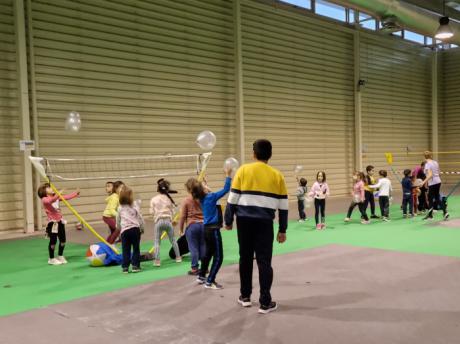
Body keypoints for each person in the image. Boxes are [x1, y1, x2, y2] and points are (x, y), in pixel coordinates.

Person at [224, 139, 288, 314]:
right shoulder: (277, 175)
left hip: (244, 222)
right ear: (270, 154)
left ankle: (245, 297)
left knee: (245, 258)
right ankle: (265, 302)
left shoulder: (243, 170)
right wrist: (283, 229)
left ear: (254, 154)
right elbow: (283, 205)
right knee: (264, 261)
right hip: (265, 223)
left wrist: (228, 220)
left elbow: (233, 198)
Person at [192, 168, 232, 290]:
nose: (206, 186)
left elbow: (206, 190)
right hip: (213, 230)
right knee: (219, 257)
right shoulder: (211, 197)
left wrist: (203, 182)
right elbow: (225, 189)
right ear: (203, 190)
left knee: (208, 253)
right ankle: (210, 281)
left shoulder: (202, 198)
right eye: (204, 186)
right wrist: (228, 175)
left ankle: (201, 275)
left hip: (206, 229)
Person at [37, 183, 80, 265]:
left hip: (60, 221)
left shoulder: (55, 197)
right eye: (48, 188)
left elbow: (66, 197)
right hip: (52, 223)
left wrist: (75, 193)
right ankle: (51, 258)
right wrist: (58, 193)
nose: (51, 188)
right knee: (53, 241)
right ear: (44, 191)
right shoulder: (44, 199)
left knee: (63, 240)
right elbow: (51, 200)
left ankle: (60, 255)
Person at [150, 179, 181, 267]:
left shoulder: (154, 199)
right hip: (168, 222)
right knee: (173, 240)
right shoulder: (169, 199)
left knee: (157, 241)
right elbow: (173, 211)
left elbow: (151, 212)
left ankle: (157, 260)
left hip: (158, 222)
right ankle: (178, 257)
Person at [179, 178, 205, 276]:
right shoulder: (203, 198)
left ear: (189, 189)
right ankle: (205, 267)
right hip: (203, 225)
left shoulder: (186, 200)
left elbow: (182, 216)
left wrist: (181, 229)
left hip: (192, 226)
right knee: (203, 246)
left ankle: (194, 268)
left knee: (193, 248)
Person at [116, 186, 144, 273]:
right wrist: (142, 228)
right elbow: (140, 217)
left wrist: (119, 228)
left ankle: (125, 267)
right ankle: (135, 266)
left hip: (124, 231)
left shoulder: (120, 208)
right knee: (136, 248)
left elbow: (118, 219)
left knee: (125, 249)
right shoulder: (134, 206)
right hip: (135, 229)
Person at [422, 151, 449, 220]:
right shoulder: (435, 162)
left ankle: (430, 216)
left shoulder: (427, 164)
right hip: (438, 181)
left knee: (430, 199)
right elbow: (439, 172)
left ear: (424, 157)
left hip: (433, 182)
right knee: (437, 197)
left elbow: (430, 175)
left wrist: (423, 182)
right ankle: (445, 212)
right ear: (431, 156)